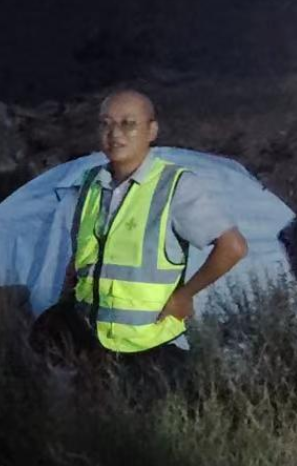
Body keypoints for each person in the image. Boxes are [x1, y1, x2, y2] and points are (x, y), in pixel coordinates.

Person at [35, 89, 249, 366]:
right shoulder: (91, 183)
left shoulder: (173, 186)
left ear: (152, 131)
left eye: (128, 124)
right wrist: (66, 300)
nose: (115, 134)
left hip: (149, 345)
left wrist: (184, 296)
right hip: (91, 337)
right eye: (106, 124)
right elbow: (83, 253)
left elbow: (233, 247)